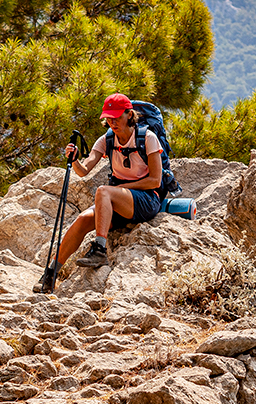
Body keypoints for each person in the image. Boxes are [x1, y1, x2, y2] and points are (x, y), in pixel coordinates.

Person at [33, 93, 165, 293]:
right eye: (108, 118)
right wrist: (75, 159)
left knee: (104, 191)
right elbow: (84, 171)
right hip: (117, 201)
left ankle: (100, 249)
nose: (112, 122)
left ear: (129, 114)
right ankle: (51, 274)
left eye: (117, 117)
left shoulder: (148, 138)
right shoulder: (107, 140)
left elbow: (155, 180)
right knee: (83, 219)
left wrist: (120, 189)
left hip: (146, 200)